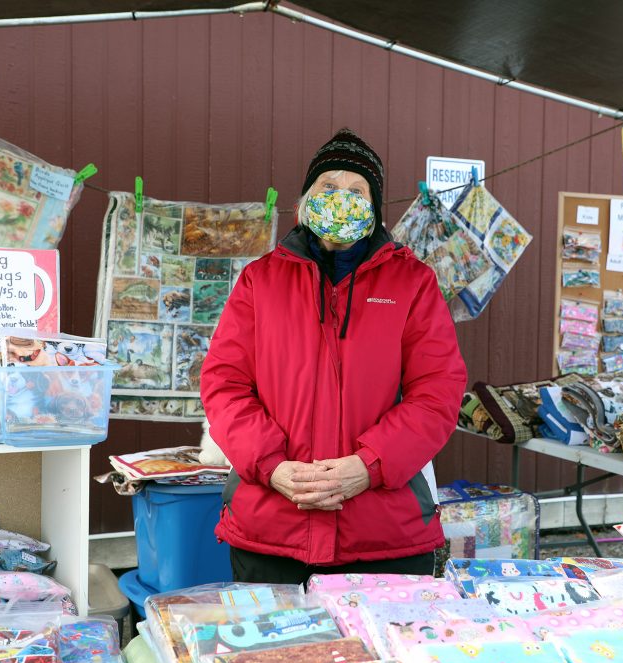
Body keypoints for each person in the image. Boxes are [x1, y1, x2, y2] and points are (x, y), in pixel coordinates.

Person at [200, 128, 467, 583]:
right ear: (306, 199)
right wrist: (272, 467)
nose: (341, 198)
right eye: (328, 187)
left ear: (374, 207)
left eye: (356, 190)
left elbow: (438, 391)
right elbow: (224, 385)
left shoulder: (412, 283)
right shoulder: (259, 281)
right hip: (272, 527)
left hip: (384, 535)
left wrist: (370, 465)